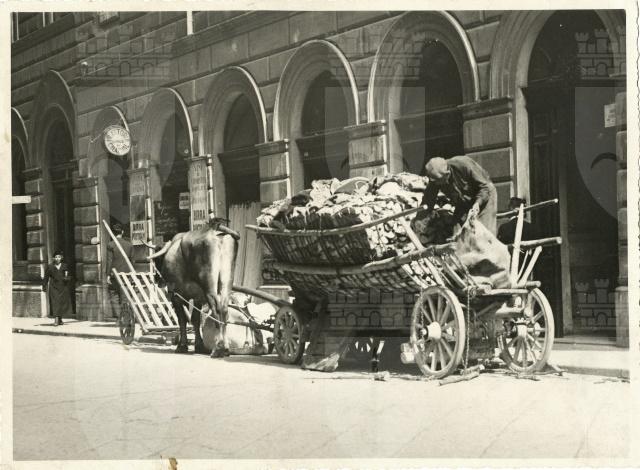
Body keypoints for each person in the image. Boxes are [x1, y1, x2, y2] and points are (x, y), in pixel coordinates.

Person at [420, 155, 498, 235]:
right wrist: (419, 220)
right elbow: (428, 200)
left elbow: (484, 187)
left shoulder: (464, 164)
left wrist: (477, 203)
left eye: (438, 181)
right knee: (457, 233)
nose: (436, 184)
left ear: (447, 174)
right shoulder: (436, 178)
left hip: (485, 196)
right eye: (434, 182)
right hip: (463, 201)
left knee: (483, 234)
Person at [105, 223, 133, 319]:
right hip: (126, 274)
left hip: (115, 274)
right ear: (122, 232)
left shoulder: (111, 245)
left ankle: (118, 318)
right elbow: (132, 261)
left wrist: (108, 275)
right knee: (125, 296)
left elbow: (109, 261)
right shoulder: (129, 245)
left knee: (114, 295)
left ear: (113, 233)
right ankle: (125, 317)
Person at [42, 249, 73, 326]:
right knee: (55, 302)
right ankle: (56, 320)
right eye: (56, 257)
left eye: (59, 257)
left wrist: (67, 278)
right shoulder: (50, 267)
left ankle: (60, 319)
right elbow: (46, 277)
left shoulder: (65, 266)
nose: (57, 258)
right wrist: (44, 286)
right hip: (54, 287)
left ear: (61, 258)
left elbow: (69, 276)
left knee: (62, 303)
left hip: (63, 287)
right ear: (53, 258)